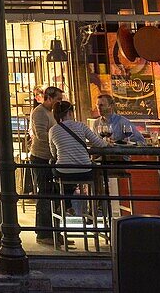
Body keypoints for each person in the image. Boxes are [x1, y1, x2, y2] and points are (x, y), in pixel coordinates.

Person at [48, 100, 109, 234]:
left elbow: (53, 153)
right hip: (84, 172)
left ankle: (65, 203)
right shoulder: (81, 126)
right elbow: (100, 144)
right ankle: (94, 208)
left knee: (55, 169)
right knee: (94, 171)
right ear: (70, 112)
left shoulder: (53, 130)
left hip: (63, 172)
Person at [29, 86, 63, 244]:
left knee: (53, 193)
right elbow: (40, 134)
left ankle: (53, 232)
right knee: (44, 193)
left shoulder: (51, 113)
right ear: (49, 98)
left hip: (51, 157)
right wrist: (57, 138)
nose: (60, 102)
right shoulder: (39, 112)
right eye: (58, 99)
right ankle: (43, 233)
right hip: (41, 157)